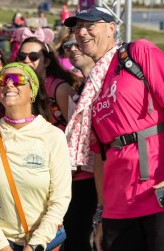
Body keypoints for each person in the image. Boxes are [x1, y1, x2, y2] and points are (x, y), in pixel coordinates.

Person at [63, 5, 164, 251]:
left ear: (112, 28)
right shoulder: (91, 87)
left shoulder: (138, 53)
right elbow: (100, 155)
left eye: (89, 25)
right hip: (119, 202)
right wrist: (100, 214)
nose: (81, 32)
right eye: (77, 27)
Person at [0, 62, 72, 251]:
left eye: (17, 80)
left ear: (32, 91)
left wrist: (35, 244)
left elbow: (60, 198)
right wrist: (1, 245)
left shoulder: (53, 136)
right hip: (2, 244)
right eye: (3, 80)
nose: (9, 85)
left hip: (43, 244)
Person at [61, 34, 97, 251]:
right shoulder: (83, 85)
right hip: (83, 174)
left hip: (94, 176)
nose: (73, 49)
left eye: (78, 44)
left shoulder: (101, 81)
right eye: (68, 46)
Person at [17, 34, 77, 128]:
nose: (26, 60)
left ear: (46, 62)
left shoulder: (60, 89)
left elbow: (76, 128)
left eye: (33, 56)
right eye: (22, 56)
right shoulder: (17, 86)